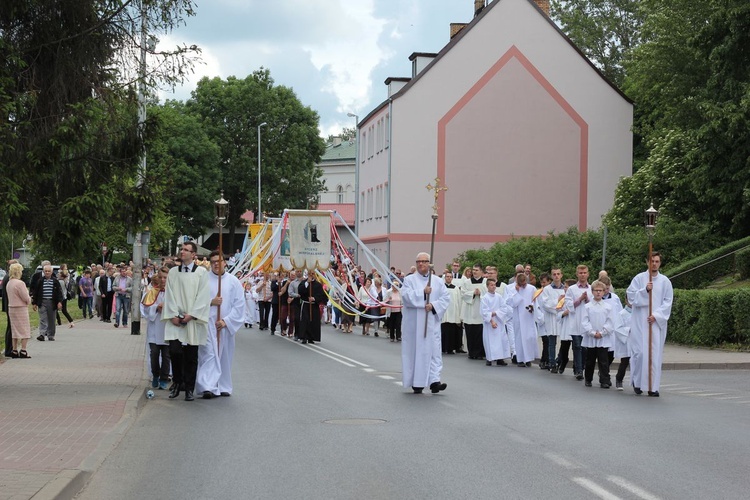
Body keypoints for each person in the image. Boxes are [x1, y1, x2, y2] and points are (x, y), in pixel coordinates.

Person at [162, 242, 211, 402]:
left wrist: (192, 315)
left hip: (192, 319)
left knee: (191, 355)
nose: (182, 252)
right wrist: (173, 315)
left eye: (186, 250)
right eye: (181, 249)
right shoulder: (174, 272)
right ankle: (177, 383)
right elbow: (169, 294)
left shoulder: (201, 273)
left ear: (194, 255)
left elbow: (203, 296)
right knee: (175, 352)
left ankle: (189, 388)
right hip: (175, 318)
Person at [196, 251, 245, 398]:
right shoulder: (203, 279)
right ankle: (207, 386)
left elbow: (239, 305)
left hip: (224, 325)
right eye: (213, 262)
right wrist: (211, 302)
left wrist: (226, 321)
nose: (216, 264)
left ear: (225, 262)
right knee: (209, 355)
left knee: (224, 356)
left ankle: (223, 385)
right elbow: (195, 300)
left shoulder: (233, 281)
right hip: (207, 324)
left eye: (219, 261)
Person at [401, 253, 450, 394]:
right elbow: (406, 297)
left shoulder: (437, 281)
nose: (421, 264)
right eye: (418, 261)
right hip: (415, 326)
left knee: (434, 352)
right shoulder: (409, 280)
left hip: (432, 323)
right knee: (417, 353)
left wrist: (433, 305)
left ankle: (435, 381)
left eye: (424, 261)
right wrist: (423, 293)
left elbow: (445, 298)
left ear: (429, 263)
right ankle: (417, 382)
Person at [626, 252, 673, 397]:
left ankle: (653, 386)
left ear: (660, 263)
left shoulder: (665, 281)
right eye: (652, 261)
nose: (654, 264)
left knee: (654, 355)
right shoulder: (639, 278)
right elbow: (631, 296)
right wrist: (645, 290)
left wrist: (657, 316)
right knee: (640, 353)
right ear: (647, 262)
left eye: (657, 261)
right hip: (640, 322)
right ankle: (637, 382)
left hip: (655, 324)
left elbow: (668, 301)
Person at [581, 280, 614, 388]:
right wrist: (592, 332)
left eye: (600, 291)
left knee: (603, 361)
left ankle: (604, 380)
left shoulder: (608, 307)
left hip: (603, 338)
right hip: (591, 338)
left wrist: (603, 332)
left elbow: (610, 321)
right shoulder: (587, 307)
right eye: (596, 290)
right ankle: (588, 379)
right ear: (592, 291)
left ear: (604, 292)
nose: (598, 293)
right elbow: (585, 321)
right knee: (590, 360)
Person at [141, 268, 170, 390]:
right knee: (154, 354)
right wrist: (156, 308)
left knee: (166, 356)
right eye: (161, 277)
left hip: (168, 328)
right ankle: (155, 375)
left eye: (165, 277)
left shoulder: (174, 292)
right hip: (154, 327)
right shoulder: (151, 292)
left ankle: (164, 378)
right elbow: (144, 309)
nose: (163, 280)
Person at [564, 264, 590, 380]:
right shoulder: (571, 289)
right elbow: (568, 305)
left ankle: (579, 366)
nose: (582, 275)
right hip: (575, 321)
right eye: (580, 273)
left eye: (584, 273)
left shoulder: (591, 288)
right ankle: (579, 370)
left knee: (585, 348)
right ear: (577, 274)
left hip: (587, 322)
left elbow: (595, 304)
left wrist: (587, 299)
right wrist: (579, 299)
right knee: (577, 346)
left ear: (588, 274)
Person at [508, 273, 538, 367]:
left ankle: (528, 359)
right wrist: (516, 293)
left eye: (525, 283)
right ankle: (520, 359)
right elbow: (512, 303)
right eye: (521, 284)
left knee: (529, 337)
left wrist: (532, 307)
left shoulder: (532, 288)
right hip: (518, 317)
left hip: (529, 317)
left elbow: (536, 301)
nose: (523, 285)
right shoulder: (512, 289)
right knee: (519, 338)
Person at [480, 278, 512, 366]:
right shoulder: (485, 298)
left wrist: (496, 313)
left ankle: (500, 359)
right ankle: (489, 358)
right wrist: (491, 320)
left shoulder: (499, 296)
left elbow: (504, 308)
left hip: (499, 320)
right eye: (491, 285)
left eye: (494, 285)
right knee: (490, 341)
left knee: (501, 340)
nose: (493, 287)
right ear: (487, 286)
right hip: (489, 323)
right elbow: (484, 312)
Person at [540, 268, 566, 373]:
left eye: (558, 274)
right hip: (551, 318)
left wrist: (561, 311)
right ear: (552, 276)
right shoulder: (547, 289)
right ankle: (552, 363)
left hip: (563, 318)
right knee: (552, 342)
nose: (556, 276)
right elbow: (545, 305)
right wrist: (557, 301)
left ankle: (559, 359)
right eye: (554, 274)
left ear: (561, 275)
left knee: (564, 342)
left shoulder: (566, 289)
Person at [460, 264, 487, 360]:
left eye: (476, 270)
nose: (474, 271)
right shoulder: (467, 282)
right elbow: (462, 294)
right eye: (473, 270)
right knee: (470, 332)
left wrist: (481, 293)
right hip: (470, 311)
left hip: (480, 310)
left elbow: (489, 293)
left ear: (481, 272)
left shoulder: (485, 282)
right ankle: (471, 352)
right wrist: (473, 293)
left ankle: (480, 353)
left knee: (480, 333)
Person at [7, 263, 32, 358]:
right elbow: (25, 297)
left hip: (12, 308)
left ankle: (14, 350)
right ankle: (23, 350)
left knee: (15, 330)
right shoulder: (20, 283)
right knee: (25, 329)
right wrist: (29, 299)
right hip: (20, 308)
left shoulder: (9, 283)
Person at [32, 265, 64, 341]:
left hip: (52, 302)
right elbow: (36, 292)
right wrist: (34, 303)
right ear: (43, 272)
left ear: (51, 272)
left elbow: (59, 292)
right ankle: (42, 334)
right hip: (42, 302)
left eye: (48, 271)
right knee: (43, 318)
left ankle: (51, 335)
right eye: (46, 271)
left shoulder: (55, 281)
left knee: (51, 319)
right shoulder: (40, 281)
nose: (47, 272)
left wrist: (59, 302)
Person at [297, 271, 327, 344]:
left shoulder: (318, 285)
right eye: (310, 274)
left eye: (313, 274)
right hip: (306, 304)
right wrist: (307, 283)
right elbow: (300, 291)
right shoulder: (304, 282)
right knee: (305, 320)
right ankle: (304, 337)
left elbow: (322, 296)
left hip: (314, 305)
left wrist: (314, 298)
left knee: (313, 321)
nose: (311, 275)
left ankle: (311, 337)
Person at [441, 272, 462, 353]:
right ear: (445, 278)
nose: (449, 278)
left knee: (452, 332)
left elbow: (458, 301)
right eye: (447, 277)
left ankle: (450, 348)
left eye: (450, 277)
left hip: (453, 312)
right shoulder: (442, 287)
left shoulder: (456, 288)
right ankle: (443, 348)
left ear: (452, 278)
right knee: (444, 331)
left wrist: (459, 314)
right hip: (444, 312)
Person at [614, 302, 633, 391]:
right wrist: (629, 330)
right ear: (626, 300)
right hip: (626, 340)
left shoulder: (640, 313)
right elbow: (617, 328)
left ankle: (636, 383)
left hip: (637, 341)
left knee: (636, 363)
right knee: (625, 362)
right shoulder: (622, 314)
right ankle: (619, 379)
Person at [2, 259, 18, 357]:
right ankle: (8, 350)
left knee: (11, 327)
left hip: (8, 304)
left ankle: (9, 349)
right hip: (10, 305)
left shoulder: (7, 277)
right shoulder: (9, 278)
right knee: (11, 327)